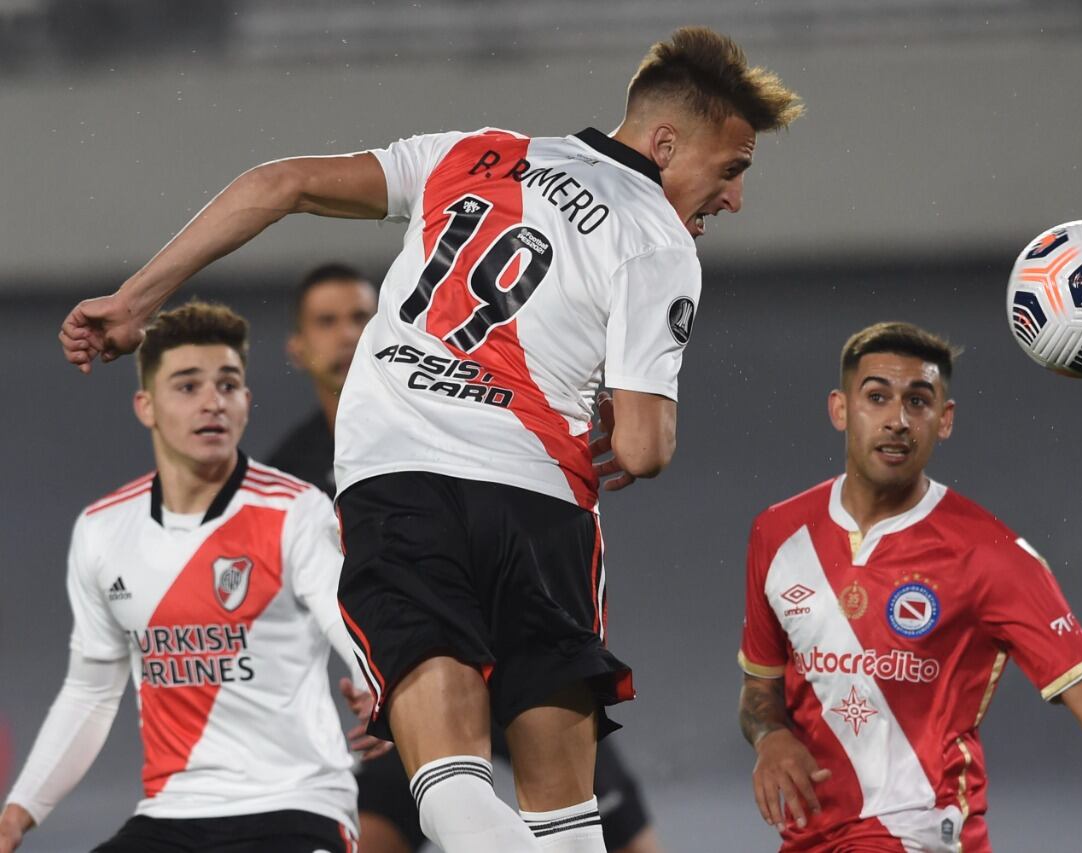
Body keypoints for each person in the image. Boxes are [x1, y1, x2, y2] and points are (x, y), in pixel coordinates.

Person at [59, 25, 803, 852]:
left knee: (450, 789)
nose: (732, 196)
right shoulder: (656, 239)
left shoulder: (473, 153)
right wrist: (611, 423)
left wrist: (135, 300)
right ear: (665, 143)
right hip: (539, 508)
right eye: (731, 169)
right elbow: (644, 448)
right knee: (565, 816)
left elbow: (282, 181)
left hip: (401, 490)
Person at [737, 322, 1082, 853]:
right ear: (840, 409)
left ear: (945, 420)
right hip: (811, 837)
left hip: (919, 832)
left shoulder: (989, 555)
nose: (897, 420)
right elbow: (760, 686)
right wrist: (769, 737)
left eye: (918, 402)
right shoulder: (777, 534)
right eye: (877, 397)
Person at [269, 262, 664, 853]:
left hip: (520, 644)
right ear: (298, 349)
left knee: (623, 837)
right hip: (425, 665)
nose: (348, 335)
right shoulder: (292, 476)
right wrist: (362, 668)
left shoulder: (454, 414)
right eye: (327, 322)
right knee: (372, 835)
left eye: (360, 317)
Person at [1, 301, 385, 853]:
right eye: (187, 386)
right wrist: (18, 815)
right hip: (172, 814)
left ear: (247, 403)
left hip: (296, 808)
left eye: (228, 385)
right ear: (146, 406)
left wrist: (379, 681)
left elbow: (344, 617)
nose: (212, 401)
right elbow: (90, 691)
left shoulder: (297, 510)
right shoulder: (104, 529)